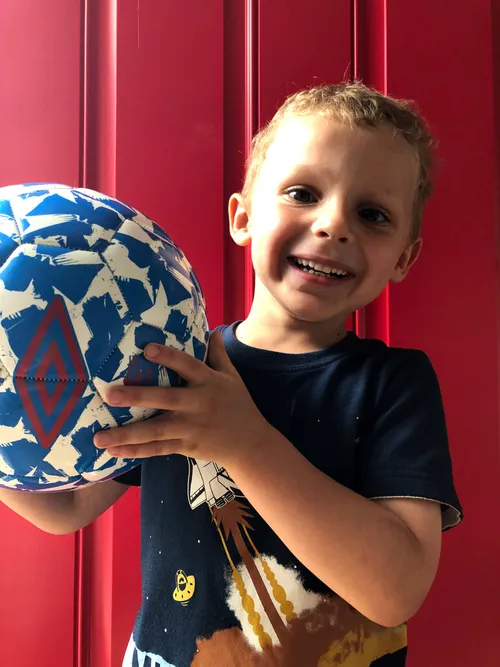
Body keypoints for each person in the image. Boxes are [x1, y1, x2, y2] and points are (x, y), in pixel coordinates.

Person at [0, 82, 462, 667]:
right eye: (302, 192)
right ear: (242, 217)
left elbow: (395, 592)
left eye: (372, 214)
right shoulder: (169, 366)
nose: (333, 225)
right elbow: (64, 509)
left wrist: (245, 443)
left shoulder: (393, 383)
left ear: (402, 257)